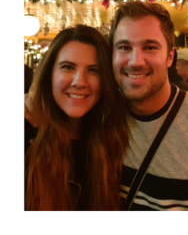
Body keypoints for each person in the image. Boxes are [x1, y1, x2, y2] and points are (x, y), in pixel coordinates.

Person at [25, 25, 129, 210]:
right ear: (50, 74)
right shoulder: (26, 131)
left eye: (93, 70)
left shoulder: (115, 138)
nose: (79, 82)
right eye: (67, 67)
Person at [111, 1, 188, 210]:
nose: (135, 61)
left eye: (149, 47)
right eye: (124, 47)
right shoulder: (102, 115)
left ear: (169, 57)